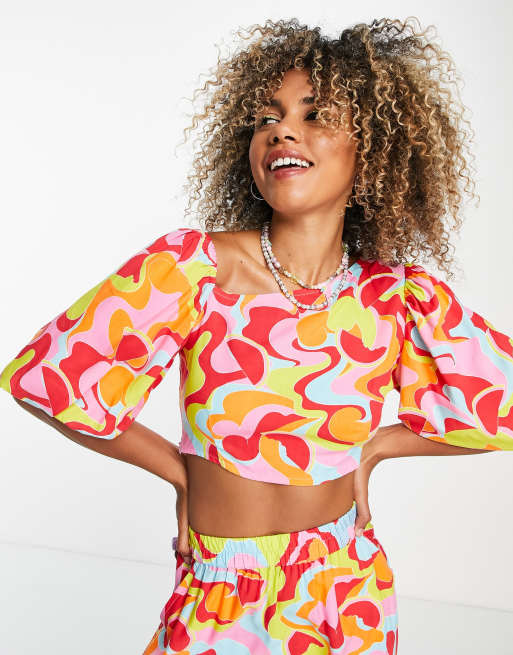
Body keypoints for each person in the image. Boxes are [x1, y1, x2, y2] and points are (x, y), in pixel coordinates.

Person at [2, 16, 512, 655]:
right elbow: (48, 379)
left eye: (315, 114)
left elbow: (499, 402)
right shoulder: (194, 268)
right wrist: (181, 473)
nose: (282, 130)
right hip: (220, 587)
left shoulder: (396, 297)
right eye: (267, 118)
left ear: (375, 149)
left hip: (344, 587)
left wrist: (379, 446)